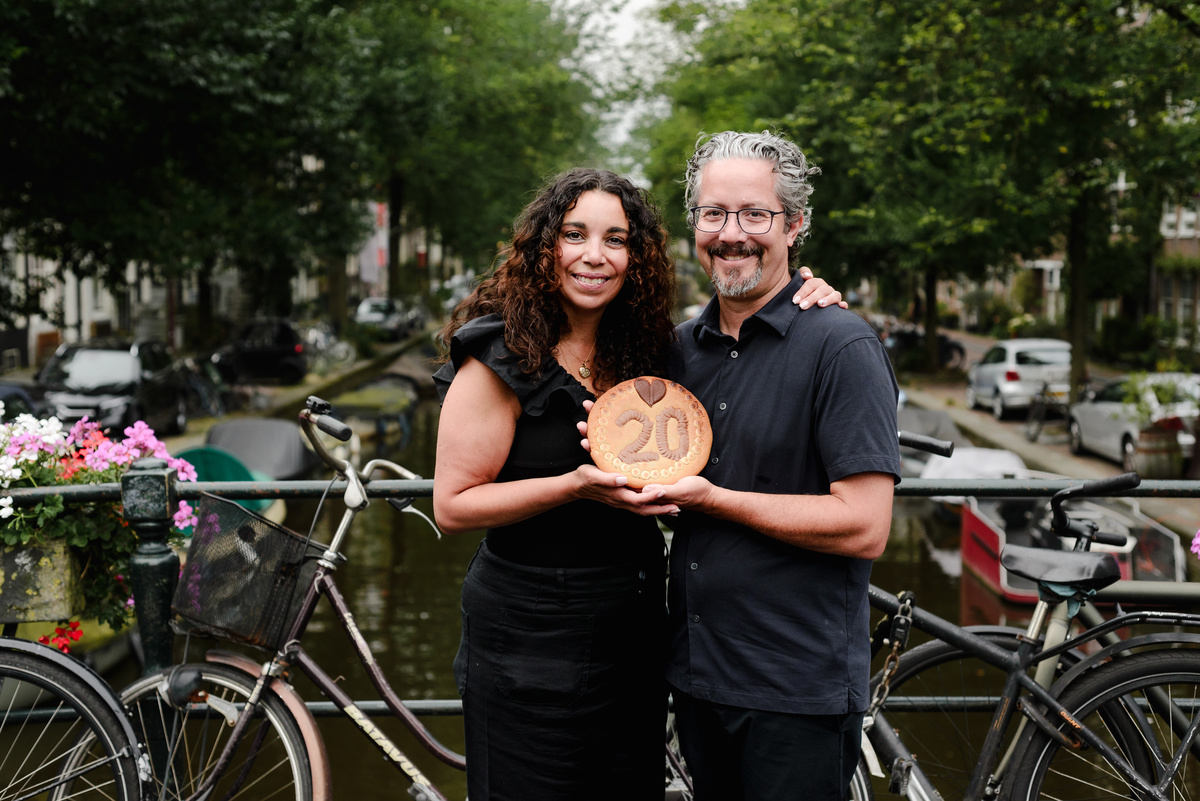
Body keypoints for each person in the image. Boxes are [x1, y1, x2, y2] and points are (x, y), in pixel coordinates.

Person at [431, 166, 843, 799]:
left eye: (616, 239)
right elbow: (454, 506)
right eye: (575, 234)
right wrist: (573, 484)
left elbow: (682, 455)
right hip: (528, 638)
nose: (595, 256)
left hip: (637, 631)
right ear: (546, 249)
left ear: (638, 257)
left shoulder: (652, 356)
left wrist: (805, 292)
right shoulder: (501, 356)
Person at [648, 131, 902, 801]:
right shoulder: (679, 353)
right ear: (695, 225)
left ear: (794, 225)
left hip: (796, 695)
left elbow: (865, 524)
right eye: (714, 214)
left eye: (755, 214)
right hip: (700, 679)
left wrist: (711, 498)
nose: (733, 234)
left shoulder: (841, 346)